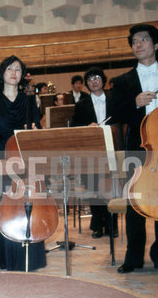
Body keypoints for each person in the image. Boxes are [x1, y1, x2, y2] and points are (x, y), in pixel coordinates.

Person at [0, 55, 45, 271]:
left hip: (27, 165)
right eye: (9, 69)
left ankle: (29, 259)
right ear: (2, 74)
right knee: (4, 209)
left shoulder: (30, 101)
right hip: (2, 164)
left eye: (18, 69)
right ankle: (4, 259)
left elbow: (37, 134)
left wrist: (36, 133)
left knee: (30, 207)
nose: (14, 73)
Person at [111, 23, 158, 274]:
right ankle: (133, 257)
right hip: (139, 148)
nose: (138, 45)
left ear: (156, 44)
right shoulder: (123, 81)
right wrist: (135, 102)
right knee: (135, 202)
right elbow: (114, 113)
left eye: (143, 40)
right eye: (134, 42)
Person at [72, 67, 117, 239]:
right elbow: (76, 127)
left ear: (103, 80)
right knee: (93, 187)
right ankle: (97, 224)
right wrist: (86, 128)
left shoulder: (114, 99)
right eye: (90, 79)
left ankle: (112, 225)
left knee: (111, 187)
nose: (94, 81)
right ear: (87, 84)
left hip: (112, 147)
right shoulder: (81, 104)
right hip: (91, 150)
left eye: (97, 77)